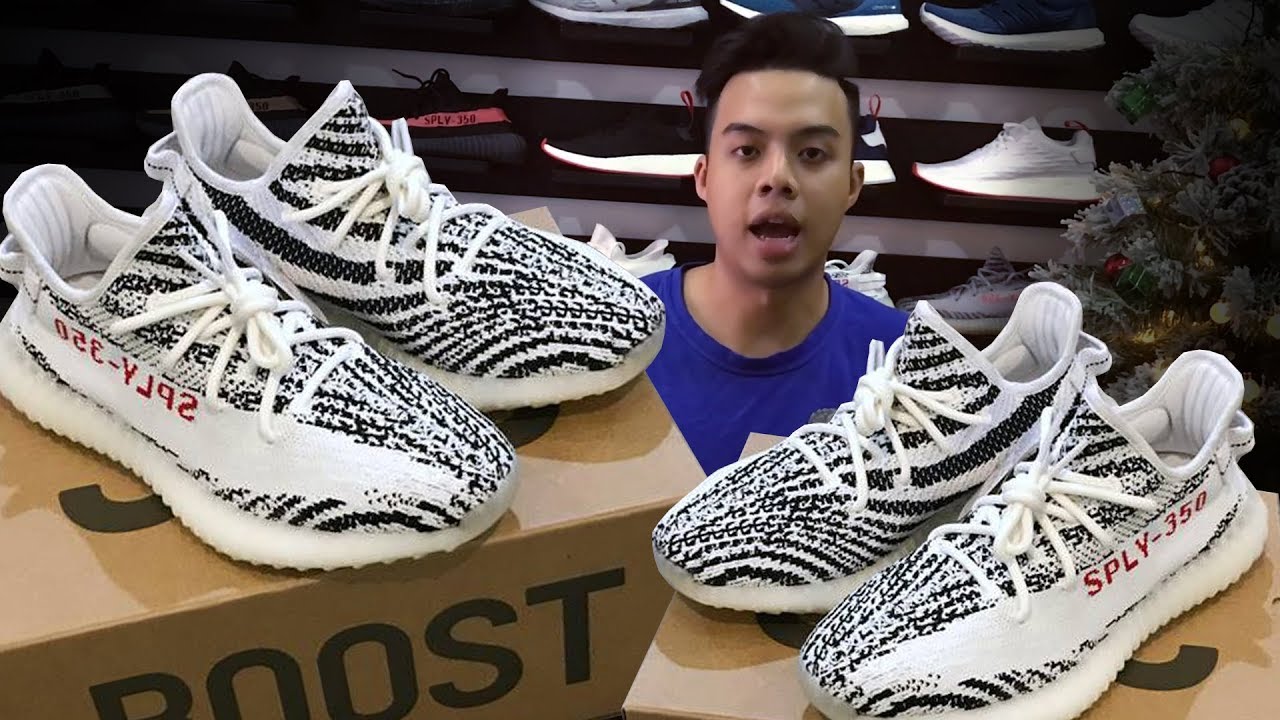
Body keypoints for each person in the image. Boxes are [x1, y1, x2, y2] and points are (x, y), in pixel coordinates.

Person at [642, 12, 909, 475]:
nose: (777, 178)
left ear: (852, 184)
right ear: (704, 177)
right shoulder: (619, 342)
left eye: (812, 154)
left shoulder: (904, 361)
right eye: (747, 150)